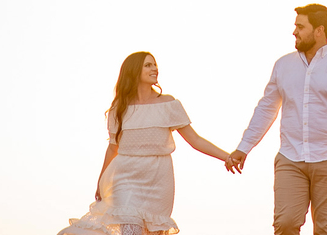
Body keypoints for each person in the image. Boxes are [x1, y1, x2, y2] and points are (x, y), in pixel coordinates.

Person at [225, 4, 327, 235]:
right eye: (295, 26)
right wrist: (244, 148)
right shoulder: (283, 65)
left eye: (300, 27)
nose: (295, 32)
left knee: (326, 228)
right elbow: (266, 109)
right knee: (285, 223)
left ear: (319, 30)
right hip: (290, 158)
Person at [58, 51, 231, 235]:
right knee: (130, 228)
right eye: (148, 65)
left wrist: (227, 156)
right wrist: (100, 182)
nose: (154, 68)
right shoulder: (120, 108)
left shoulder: (168, 104)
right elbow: (112, 148)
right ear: (134, 71)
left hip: (158, 179)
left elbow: (195, 140)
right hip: (125, 178)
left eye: (154, 64)